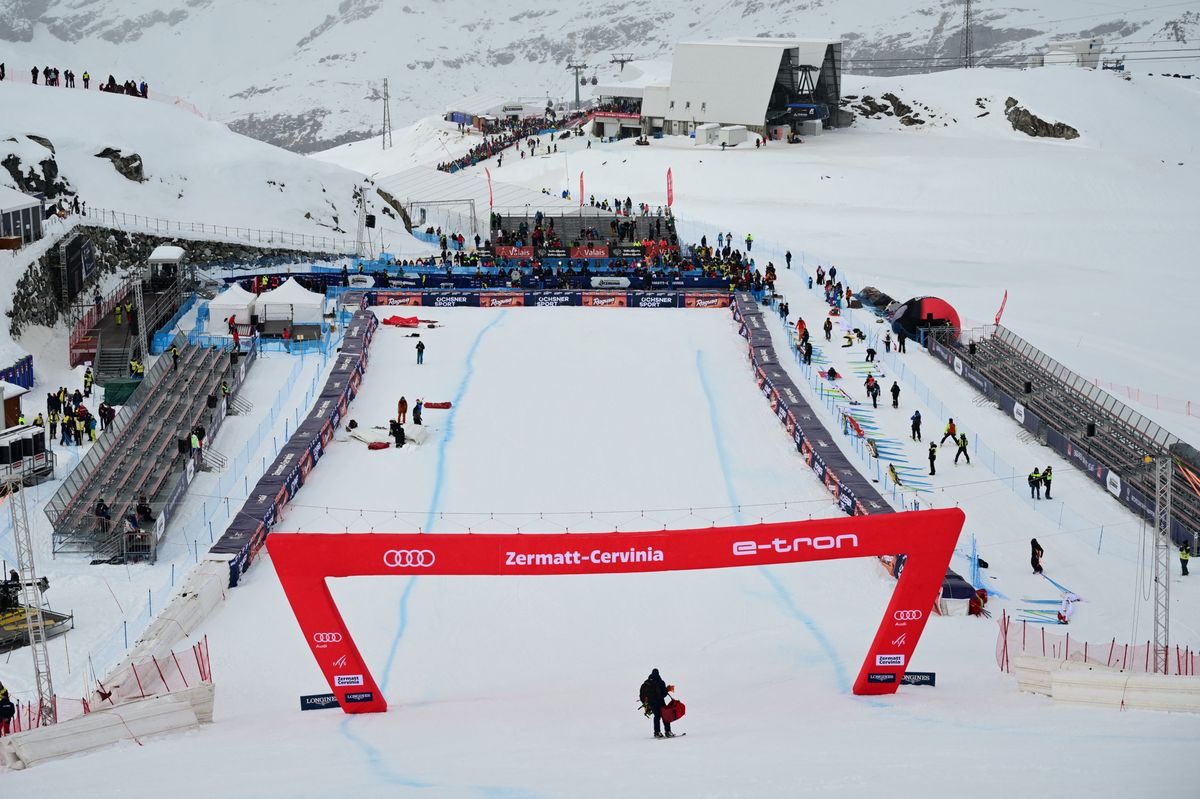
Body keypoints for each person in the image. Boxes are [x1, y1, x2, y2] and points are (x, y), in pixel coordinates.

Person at [640, 668, 675, 738]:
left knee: (657, 717)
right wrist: (667, 690)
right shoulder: (660, 681)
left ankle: (657, 732)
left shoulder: (646, 682)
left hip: (651, 703)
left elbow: (642, 694)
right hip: (660, 702)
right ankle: (668, 732)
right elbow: (664, 694)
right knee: (665, 716)